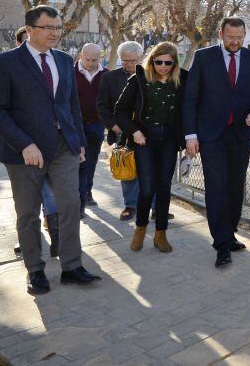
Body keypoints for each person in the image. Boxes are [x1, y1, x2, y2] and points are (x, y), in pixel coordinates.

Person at [0, 5, 101, 295]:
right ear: (30, 29)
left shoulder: (63, 60)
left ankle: (72, 266)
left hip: (64, 147)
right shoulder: (6, 63)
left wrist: (79, 144)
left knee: (71, 204)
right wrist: (24, 144)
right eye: (49, 28)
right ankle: (35, 270)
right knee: (28, 213)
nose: (56, 33)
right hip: (24, 152)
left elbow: (70, 106)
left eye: (58, 28)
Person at [183, 17, 250, 268]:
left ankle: (229, 235)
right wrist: (190, 136)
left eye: (239, 37)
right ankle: (221, 244)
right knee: (217, 188)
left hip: (240, 134)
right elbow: (190, 99)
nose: (235, 42)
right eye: (231, 37)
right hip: (211, 135)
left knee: (235, 188)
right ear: (221, 34)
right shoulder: (204, 57)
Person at [114, 42, 188, 253]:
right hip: (144, 140)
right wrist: (134, 132)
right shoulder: (138, 80)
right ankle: (140, 229)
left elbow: (191, 109)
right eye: (158, 62)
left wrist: (190, 138)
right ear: (152, 59)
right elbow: (119, 111)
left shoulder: (183, 80)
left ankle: (160, 234)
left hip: (169, 140)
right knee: (146, 187)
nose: (163, 66)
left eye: (168, 63)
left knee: (164, 187)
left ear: (174, 63)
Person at [97, 41, 142, 220]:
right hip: (122, 133)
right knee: (127, 168)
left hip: (147, 132)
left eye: (132, 60)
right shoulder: (109, 78)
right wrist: (112, 125)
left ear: (141, 57)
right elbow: (101, 105)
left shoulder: (152, 75)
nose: (128, 64)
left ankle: (155, 207)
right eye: (125, 60)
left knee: (151, 168)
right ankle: (130, 206)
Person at [75, 43, 106, 217]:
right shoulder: (70, 72)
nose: (90, 63)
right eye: (87, 59)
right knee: (78, 162)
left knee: (91, 160)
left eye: (95, 60)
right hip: (75, 125)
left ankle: (87, 192)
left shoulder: (105, 74)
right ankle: (78, 200)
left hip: (96, 124)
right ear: (81, 55)